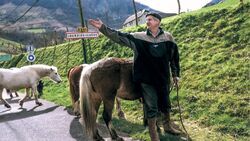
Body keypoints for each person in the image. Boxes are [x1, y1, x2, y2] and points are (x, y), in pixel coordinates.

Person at [89, 12, 181, 141]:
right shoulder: (139, 37)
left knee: (165, 104)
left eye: (150, 19)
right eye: (147, 19)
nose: (147, 22)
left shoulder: (168, 38)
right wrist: (103, 28)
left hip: (163, 78)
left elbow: (174, 58)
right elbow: (119, 36)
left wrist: (176, 75)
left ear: (158, 22)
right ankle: (154, 135)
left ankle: (168, 126)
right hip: (146, 80)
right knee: (151, 107)